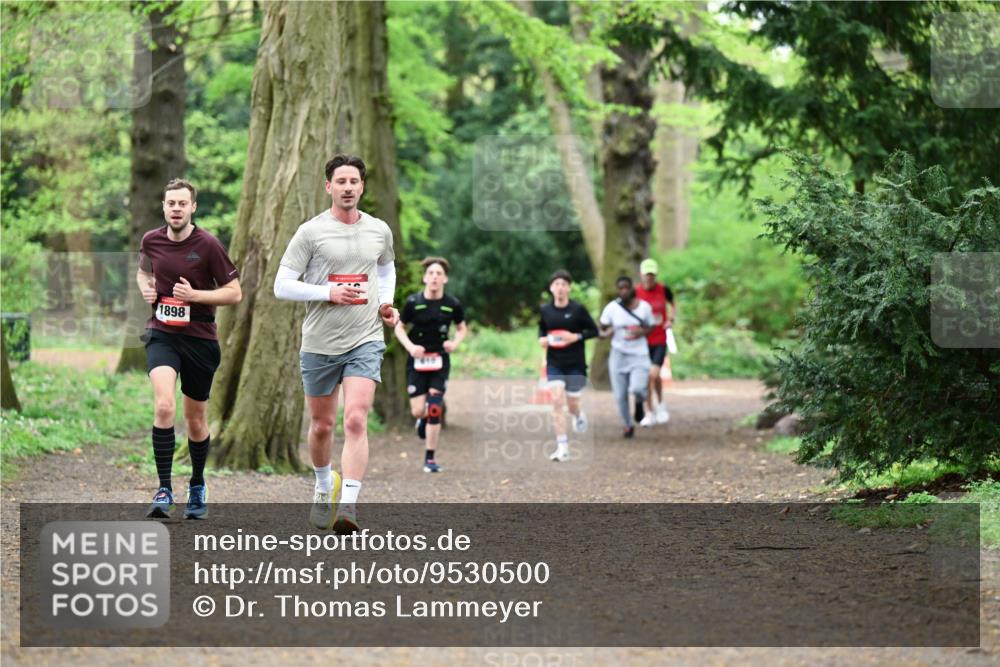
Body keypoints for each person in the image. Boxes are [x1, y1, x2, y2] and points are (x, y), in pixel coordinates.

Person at [273, 154, 398, 534]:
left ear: (362, 186)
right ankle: (325, 487)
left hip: (365, 338)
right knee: (323, 425)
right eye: (340, 181)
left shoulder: (379, 230)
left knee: (356, 418)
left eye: (354, 181)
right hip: (320, 341)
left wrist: (385, 303)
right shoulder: (310, 232)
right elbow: (281, 286)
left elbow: (386, 268)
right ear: (328, 186)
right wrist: (327, 291)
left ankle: (349, 507)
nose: (348, 187)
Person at [138, 178, 242, 520]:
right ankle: (164, 488)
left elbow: (233, 292)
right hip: (162, 334)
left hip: (199, 338)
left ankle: (197, 485)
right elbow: (143, 273)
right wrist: (148, 289)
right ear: (164, 207)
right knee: (165, 405)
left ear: (193, 207)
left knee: (196, 419)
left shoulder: (208, 245)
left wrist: (195, 296)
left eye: (183, 203)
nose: (176, 209)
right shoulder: (151, 240)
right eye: (171, 204)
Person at [393, 257, 467, 473]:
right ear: (425, 278)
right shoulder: (413, 303)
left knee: (434, 407)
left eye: (439, 274)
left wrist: (454, 343)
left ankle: (430, 459)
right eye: (431, 273)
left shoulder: (452, 304)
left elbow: (462, 328)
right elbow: (399, 327)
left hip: (440, 360)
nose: (435, 277)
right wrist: (410, 347)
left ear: (445, 279)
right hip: (417, 361)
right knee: (418, 411)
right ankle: (420, 421)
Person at [538, 270, 598, 461]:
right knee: (556, 401)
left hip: (575, 364)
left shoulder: (578, 309)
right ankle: (562, 447)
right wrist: (542, 339)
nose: (560, 288)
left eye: (564, 284)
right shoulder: (546, 310)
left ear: (569, 288)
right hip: (555, 363)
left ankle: (578, 414)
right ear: (551, 288)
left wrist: (576, 336)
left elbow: (593, 330)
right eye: (557, 284)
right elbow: (542, 328)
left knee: (572, 405)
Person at [598, 276, 653, 438]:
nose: (623, 291)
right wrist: (607, 332)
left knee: (637, 388)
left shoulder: (644, 308)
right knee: (620, 394)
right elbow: (602, 327)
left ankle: (639, 402)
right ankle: (627, 425)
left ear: (632, 288)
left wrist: (640, 332)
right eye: (620, 288)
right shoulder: (612, 308)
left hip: (639, 354)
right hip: (618, 355)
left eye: (626, 288)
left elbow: (651, 327)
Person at [635, 258, 675, 426]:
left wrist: (671, 319)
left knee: (653, 374)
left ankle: (660, 406)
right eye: (646, 275)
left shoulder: (663, 289)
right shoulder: (636, 292)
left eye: (652, 275)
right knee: (649, 377)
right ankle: (650, 411)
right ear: (641, 275)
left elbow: (673, 303)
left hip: (659, 338)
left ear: (655, 275)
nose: (649, 278)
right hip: (642, 340)